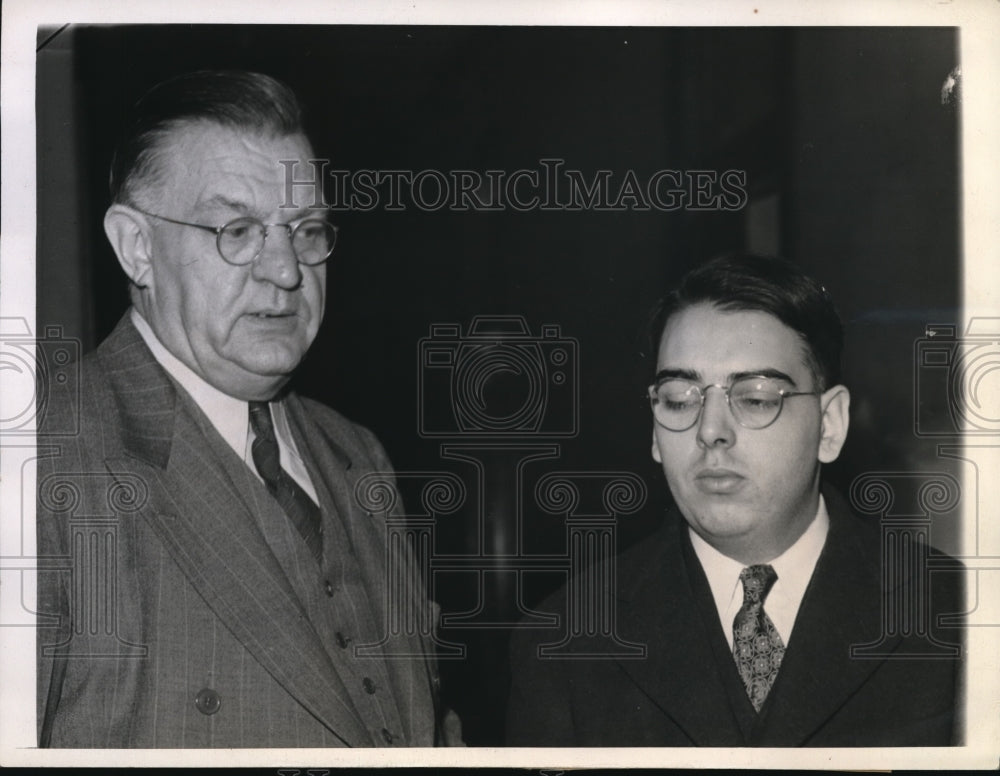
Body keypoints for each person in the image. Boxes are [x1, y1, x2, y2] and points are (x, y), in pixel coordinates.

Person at [36, 70, 460, 748]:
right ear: (136, 247)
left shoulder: (357, 454)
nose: (286, 270)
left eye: (307, 229)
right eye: (238, 230)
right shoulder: (41, 458)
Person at [506, 253, 964, 746]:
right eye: (680, 399)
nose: (710, 432)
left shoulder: (957, 614)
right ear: (656, 432)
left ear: (829, 425)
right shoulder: (564, 641)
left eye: (756, 398)